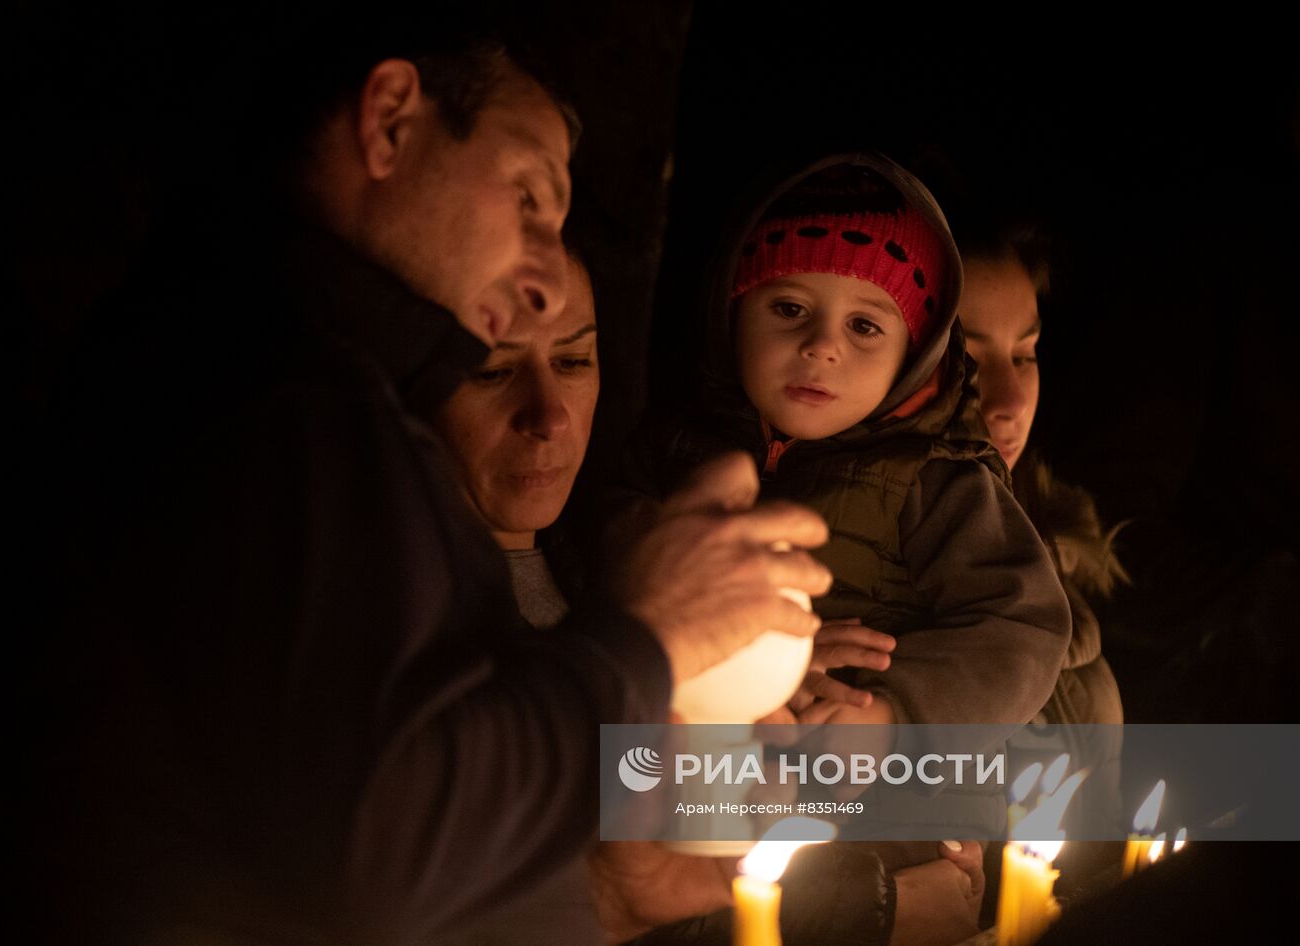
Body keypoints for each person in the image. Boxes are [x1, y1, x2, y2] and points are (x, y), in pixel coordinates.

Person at [35, 19, 835, 946]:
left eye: (576, 359)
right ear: (388, 121)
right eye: (530, 199)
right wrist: (652, 635)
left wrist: (604, 899)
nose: (542, 280)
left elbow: (350, 851)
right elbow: (387, 851)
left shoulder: (279, 381)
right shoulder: (275, 394)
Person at [437, 251, 987, 946]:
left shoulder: (591, 568)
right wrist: (872, 906)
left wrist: (751, 669)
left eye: (575, 362)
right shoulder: (407, 627)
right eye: (493, 371)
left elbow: (652, 867)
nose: (549, 416)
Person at [956, 222, 1127, 882]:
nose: (1008, 403)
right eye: (968, 360)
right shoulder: (866, 594)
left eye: (1024, 355)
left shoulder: (1055, 551)